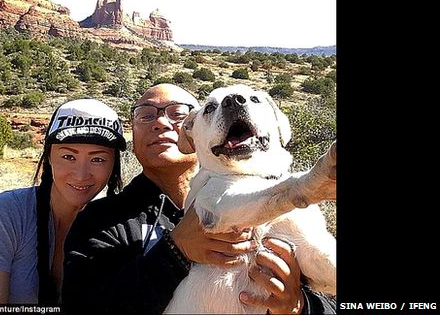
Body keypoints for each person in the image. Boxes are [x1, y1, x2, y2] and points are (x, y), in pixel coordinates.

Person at [62, 84, 336, 314]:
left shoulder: (298, 206)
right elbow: (84, 306)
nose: (160, 122)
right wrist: (175, 251)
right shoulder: (103, 220)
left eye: (177, 113)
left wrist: (300, 305)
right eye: (145, 115)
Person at [0, 99, 127, 311]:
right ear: (49, 158)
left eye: (98, 159)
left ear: (113, 165)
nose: (81, 175)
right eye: (68, 156)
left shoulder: (117, 229)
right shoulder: (5, 215)